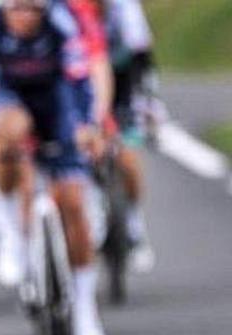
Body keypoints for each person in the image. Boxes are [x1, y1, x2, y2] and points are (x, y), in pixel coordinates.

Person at [0, 0, 108, 335]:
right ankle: (11, 234)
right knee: (7, 145)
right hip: (10, 103)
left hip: (55, 102)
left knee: (73, 203)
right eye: (17, 9)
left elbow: (79, 78)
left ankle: (84, 309)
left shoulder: (63, 21)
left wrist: (86, 127)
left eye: (34, 10)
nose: (25, 17)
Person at [96, 0, 156, 272]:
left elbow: (142, 57)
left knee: (129, 160)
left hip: (123, 84)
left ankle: (134, 223)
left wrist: (149, 102)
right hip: (85, 82)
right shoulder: (66, 10)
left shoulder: (125, 8)